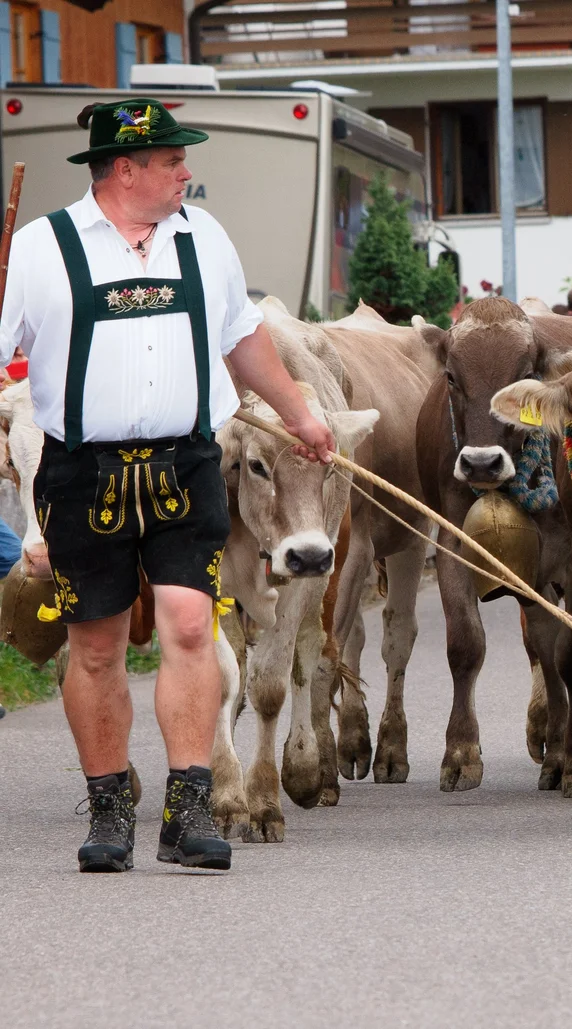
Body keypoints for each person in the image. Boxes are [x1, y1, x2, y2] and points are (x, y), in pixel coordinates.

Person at [0, 98, 336, 875]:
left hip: (188, 463)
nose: (187, 172)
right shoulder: (41, 250)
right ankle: (111, 804)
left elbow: (242, 339)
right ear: (125, 170)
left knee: (189, 625)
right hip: (84, 472)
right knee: (96, 647)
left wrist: (301, 415)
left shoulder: (204, 239)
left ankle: (188, 806)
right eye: (171, 161)